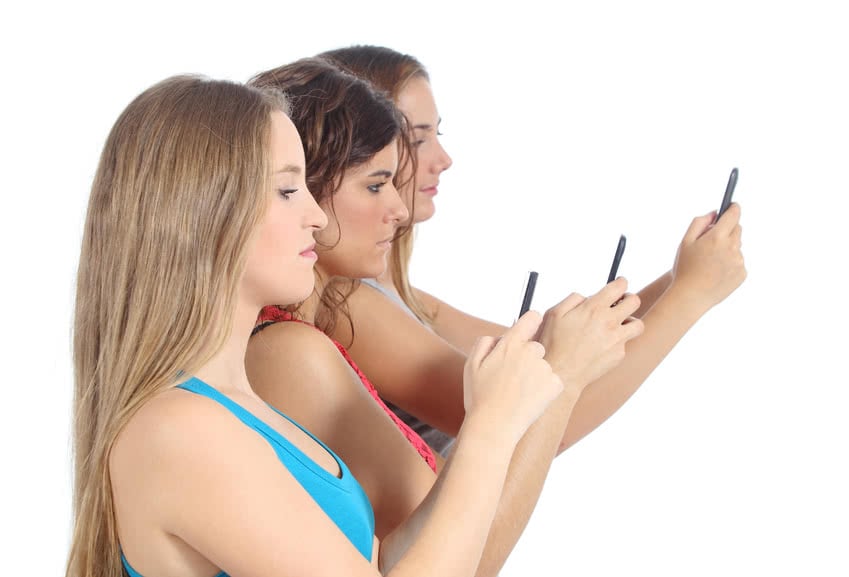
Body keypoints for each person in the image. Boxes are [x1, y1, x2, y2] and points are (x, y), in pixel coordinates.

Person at [66, 74, 570, 577]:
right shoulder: (179, 430)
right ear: (204, 212)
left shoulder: (244, 412)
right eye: (287, 190)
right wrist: (490, 429)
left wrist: (493, 414)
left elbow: (386, 566)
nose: (316, 217)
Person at [245, 58, 644, 576]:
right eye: (375, 184)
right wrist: (561, 381)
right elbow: (463, 559)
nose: (401, 209)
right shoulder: (291, 348)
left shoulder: (309, 329)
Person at [318, 45, 748, 455]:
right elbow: (538, 417)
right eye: (418, 140)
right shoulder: (349, 305)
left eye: (438, 135)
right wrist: (691, 296)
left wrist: (680, 277)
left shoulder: (402, 298)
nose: (443, 158)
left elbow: (550, 355)